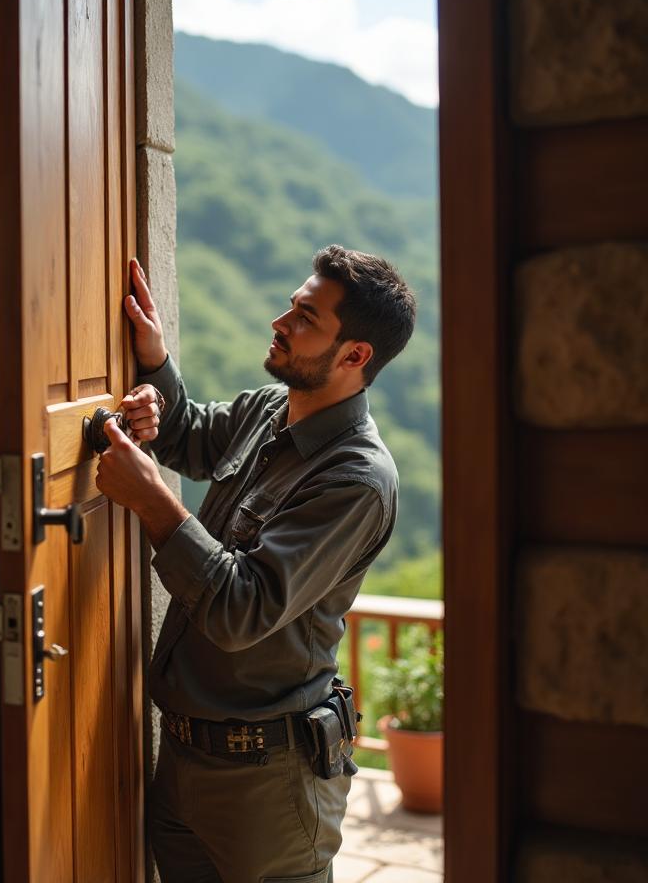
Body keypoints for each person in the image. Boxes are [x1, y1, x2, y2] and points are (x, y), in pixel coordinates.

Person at [96, 244, 416, 883]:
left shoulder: (357, 479)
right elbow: (187, 435)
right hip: (181, 760)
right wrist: (154, 363)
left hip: (269, 788)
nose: (280, 322)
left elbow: (241, 609)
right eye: (292, 305)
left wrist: (153, 501)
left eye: (305, 318)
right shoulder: (268, 409)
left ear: (355, 356)